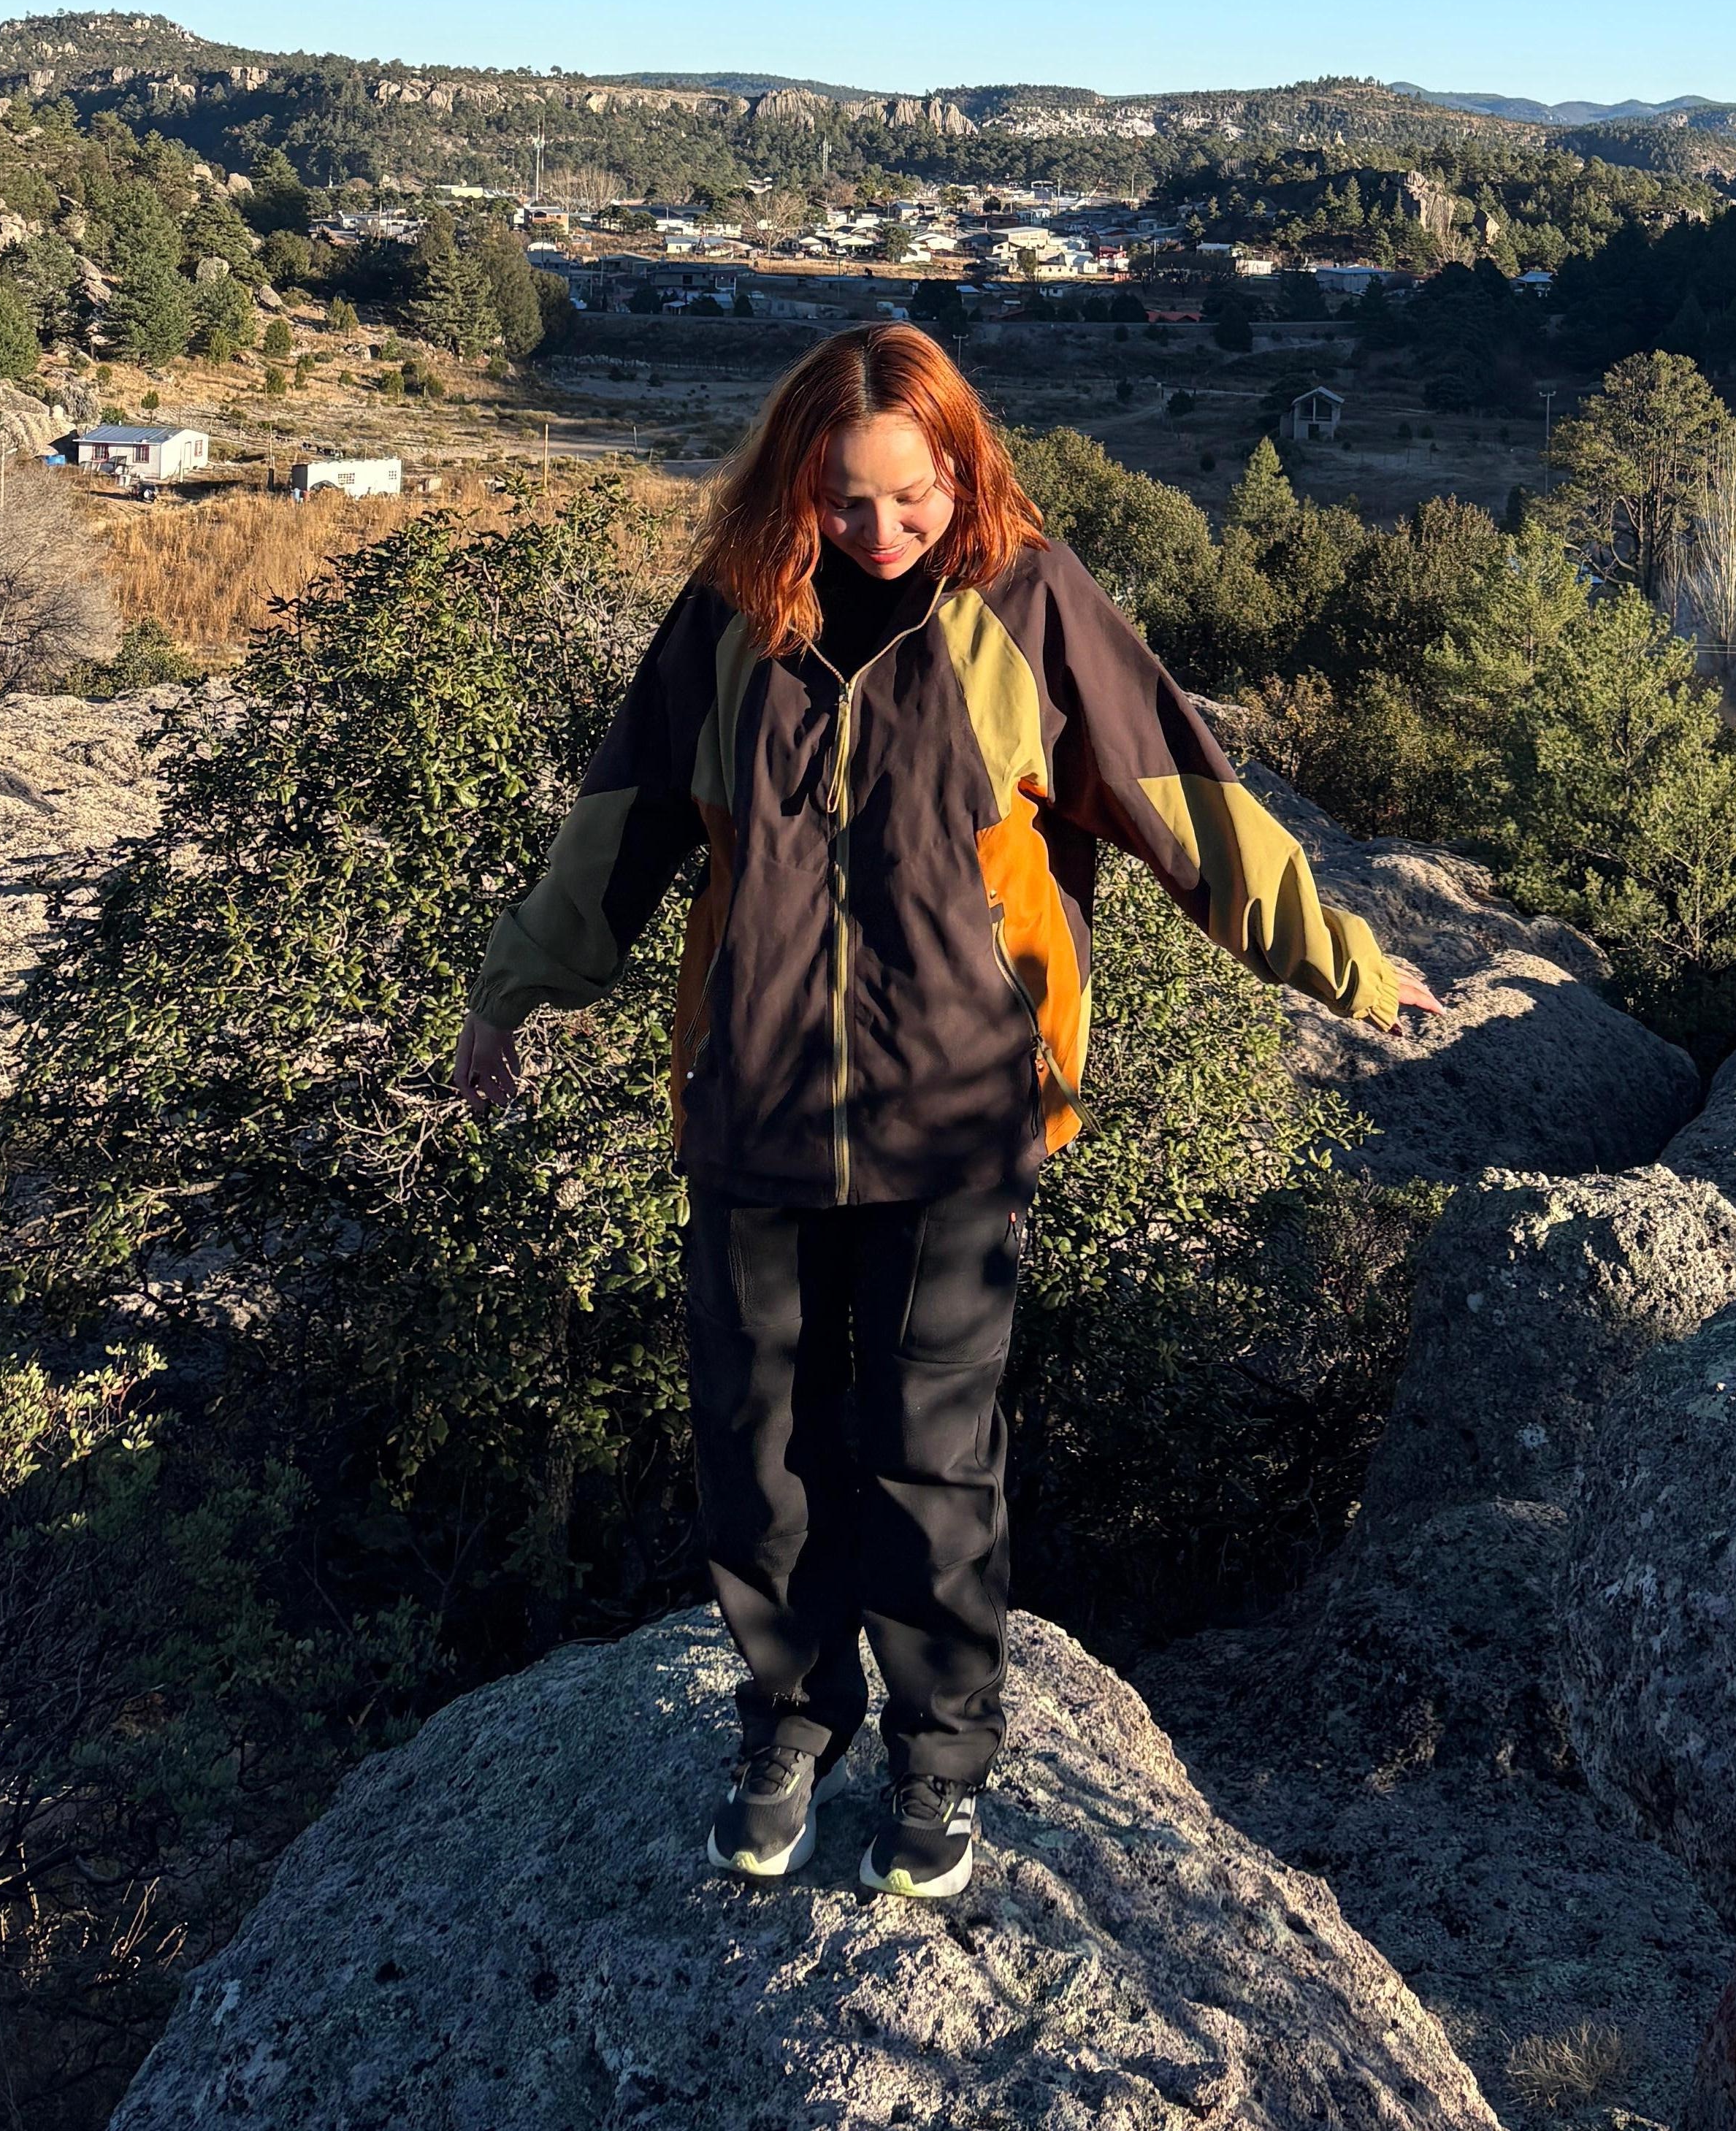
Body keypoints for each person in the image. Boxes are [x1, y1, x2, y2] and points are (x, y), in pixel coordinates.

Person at [453, 323, 1435, 1902]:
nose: (882, 529)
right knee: (759, 1451)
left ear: (962, 468)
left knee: (931, 1454)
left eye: (912, 495)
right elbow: (619, 831)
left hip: (963, 1114)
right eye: (845, 501)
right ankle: (788, 1729)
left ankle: (938, 1760)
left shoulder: (1029, 606)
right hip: (756, 1109)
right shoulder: (728, 620)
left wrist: (1348, 963)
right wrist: (512, 995)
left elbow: (1183, 798)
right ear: (793, 486)